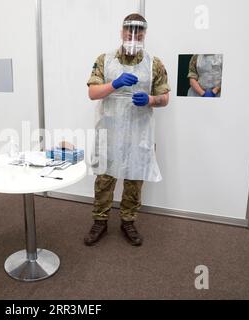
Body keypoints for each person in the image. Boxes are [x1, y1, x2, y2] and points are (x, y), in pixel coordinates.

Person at [85, 13, 170, 247]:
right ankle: (100, 221)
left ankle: (128, 221)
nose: (133, 35)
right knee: (105, 177)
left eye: (138, 32)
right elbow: (92, 93)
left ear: (144, 35)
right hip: (110, 129)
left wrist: (152, 100)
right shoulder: (105, 60)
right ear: (121, 32)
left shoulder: (155, 64)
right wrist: (114, 84)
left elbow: (165, 98)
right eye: (129, 31)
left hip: (139, 130)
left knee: (134, 177)